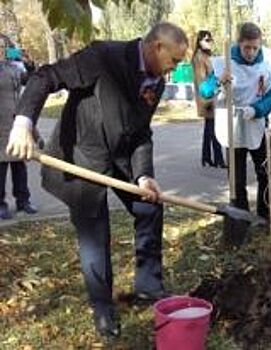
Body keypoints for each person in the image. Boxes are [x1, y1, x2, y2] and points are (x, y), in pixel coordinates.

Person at [6, 22, 189, 338]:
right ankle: (103, 309)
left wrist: (144, 175)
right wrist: (23, 122)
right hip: (80, 156)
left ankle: (148, 286)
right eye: (174, 60)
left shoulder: (156, 82)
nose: (176, 67)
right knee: (95, 233)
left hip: (119, 156)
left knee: (150, 206)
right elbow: (45, 76)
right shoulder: (103, 56)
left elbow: (141, 132)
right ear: (157, 47)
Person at [200, 22, 271, 222]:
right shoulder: (222, 63)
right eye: (247, 48)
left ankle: (264, 215)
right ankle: (241, 219)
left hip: (255, 124)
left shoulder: (265, 67)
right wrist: (218, 81)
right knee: (237, 179)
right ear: (239, 43)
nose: (251, 52)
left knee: (265, 173)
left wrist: (257, 109)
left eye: (255, 48)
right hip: (231, 127)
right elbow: (205, 92)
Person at [0, 38, 37, 220]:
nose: (2, 50)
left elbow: (29, 81)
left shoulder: (13, 68)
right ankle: (1, 205)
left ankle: (23, 201)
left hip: (14, 125)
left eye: (4, 48)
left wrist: (29, 65)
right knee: (0, 168)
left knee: (19, 165)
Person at [191, 30, 226, 168]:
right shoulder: (199, 57)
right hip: (207, 97)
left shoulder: (206, 56)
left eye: (210, 40)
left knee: (209, 128)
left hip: (210, 95)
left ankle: (206, 157)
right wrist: (216, 84)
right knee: (213, 128)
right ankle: (218, 159)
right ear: (199, 42)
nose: (209, 42)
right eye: (206, 40)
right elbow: (202, 81)